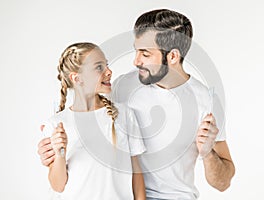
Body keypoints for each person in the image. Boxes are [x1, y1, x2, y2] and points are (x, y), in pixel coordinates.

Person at [38, 9, 235, 199]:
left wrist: (208, 153)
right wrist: (51, 148)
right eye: (136, 51)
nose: (135, 61)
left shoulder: (206, 101)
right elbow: (81, 116)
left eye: (145, 54)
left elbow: (223, 183)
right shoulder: (123, 86)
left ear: (173, 56)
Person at [40, 42, 146, 200]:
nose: (109, 71)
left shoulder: (124, 114)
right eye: (99, 67)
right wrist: (60, 153)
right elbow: (58, 185)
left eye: (106, 65)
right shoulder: (56, 124)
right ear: (77, 78)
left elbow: (136, 172)